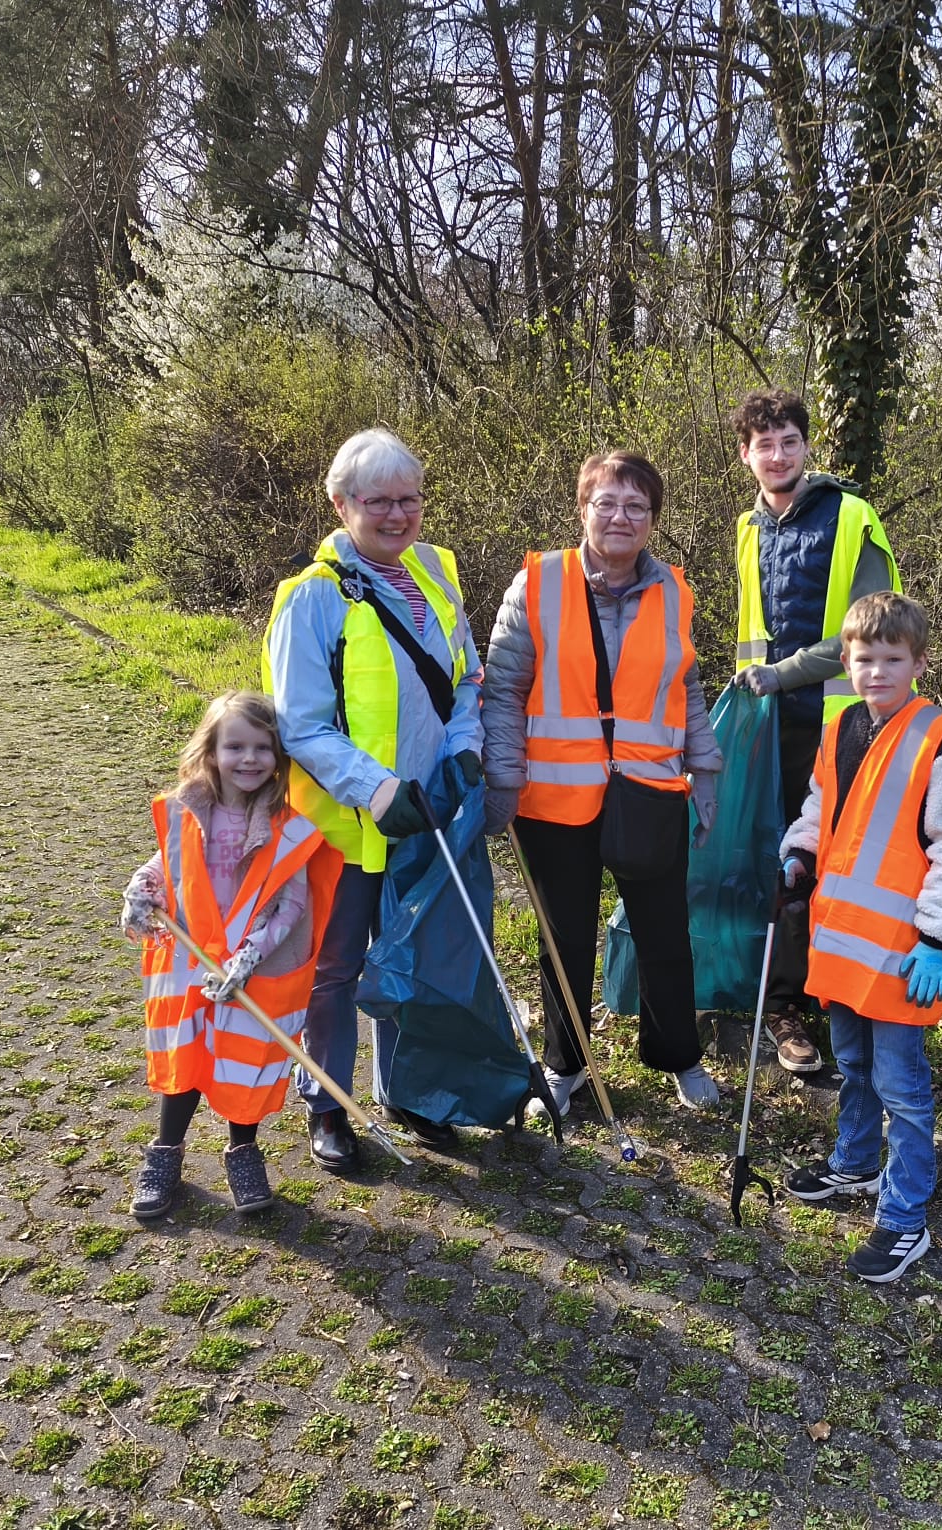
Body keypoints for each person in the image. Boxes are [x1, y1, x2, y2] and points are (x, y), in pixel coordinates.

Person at [264, 428, 483, 1168]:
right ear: (341, 503)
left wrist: (465, 751)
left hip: (431, 813)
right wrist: (377, 788)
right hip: (346, 823)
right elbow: (299, 723)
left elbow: (467, 678)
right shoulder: (311, 598)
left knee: (415, 955)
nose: (398, 515)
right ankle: (326, 1100)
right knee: (336, 969)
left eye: (410, 499)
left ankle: (412, 1091)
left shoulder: (438, 572)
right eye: (378, 501)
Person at [481, 451, 723, 1112]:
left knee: (665, 933)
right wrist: (503, 778)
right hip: (555, 797)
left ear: (652, 520)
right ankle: (567, 1065)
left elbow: (688, 690)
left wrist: (704, 769)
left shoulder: (674, 590)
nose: (621, 517)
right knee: (565, 938)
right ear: (583, 508)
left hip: (650, 791)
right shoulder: (535, 585)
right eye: (607, 503)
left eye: (637, 506)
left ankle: (679, 1057)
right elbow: (502, 690)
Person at [779, 592, 942, 1283]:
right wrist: (799, 852)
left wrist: (938, 940)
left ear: (919, 662)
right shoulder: (840, 728)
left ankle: (904, 1221)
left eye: (892, 660)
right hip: (842, 943)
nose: (876, 672)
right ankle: (855, 1165)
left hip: (904, 953)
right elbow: (821, 806)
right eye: (865, 659)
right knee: (854, 1066)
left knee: (902, 1086)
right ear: (847, 661)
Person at [728, 387, 902, 1077]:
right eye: (763, 444)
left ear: (807, 446)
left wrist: (781, 675)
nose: (777, 454)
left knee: (838, 871)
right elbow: (750, 638)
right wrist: (748, 697)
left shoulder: (851, 517)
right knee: (778, 867)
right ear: (746, 455)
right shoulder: (748, 527)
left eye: (789, 441)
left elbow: (872, 631)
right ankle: (784, 1007)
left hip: (847, 725)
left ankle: (841, 1003)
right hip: (769, 730)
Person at [119, 692, 340, 1220]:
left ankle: (243, 1150)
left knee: (247, 1065)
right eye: (235, 746)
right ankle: (165, 1152)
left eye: (263, 748)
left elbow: (292, 903)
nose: (249, 759)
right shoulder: (188, 811)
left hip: (252, 971)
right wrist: (141, 886)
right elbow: (165, 863)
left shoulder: (289, 830)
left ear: (279, 757)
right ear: (210, 751)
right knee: (186, 1057)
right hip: (189, 963)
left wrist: (251, 954)